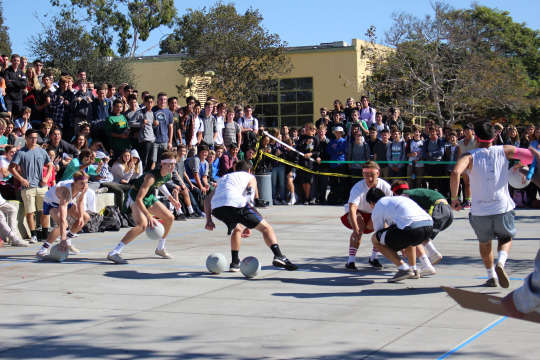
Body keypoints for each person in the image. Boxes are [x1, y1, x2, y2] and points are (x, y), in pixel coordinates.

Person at [450, 121, 534, 288]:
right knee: (506, 237)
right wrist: (521, 164)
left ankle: (491, 276)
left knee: (485, 243)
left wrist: (454, 199)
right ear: (495, 136)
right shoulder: (505, 150)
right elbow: (532, 156)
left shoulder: (469, 156)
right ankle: (501, 262)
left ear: (476, 137)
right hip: (502, 206)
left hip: (480, 209)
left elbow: (455, 172)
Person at [204, 160, 298, 272]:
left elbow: (207, 199)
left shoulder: (225, 178)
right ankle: (279, 255)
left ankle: (235, 263)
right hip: (236, 204)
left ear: (236, 169)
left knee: (238, 228)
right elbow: (250, 196)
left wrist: (209, 220)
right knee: (266, 228)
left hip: (217, 209)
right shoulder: (250, 177)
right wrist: (249, 224)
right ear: (249, 170)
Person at [107, 150, 181, 264]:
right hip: (135, 196)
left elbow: (160, 184)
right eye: (170, 164)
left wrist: (173, 200)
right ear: (163, 164)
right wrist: (148, 216)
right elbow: (138, 199)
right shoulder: (150, 176)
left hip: (149, 196)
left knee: (170, 218)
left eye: (174, 164)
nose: (173, 166)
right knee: (142, 225)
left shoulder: (168, 174)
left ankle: (160, 248)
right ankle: (114, 252)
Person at [367, 187, 434, 282]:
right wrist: (401, 244)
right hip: (428, 226)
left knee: (375, 239)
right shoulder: (398, 199)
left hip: (411, 229)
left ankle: (403, 268)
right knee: (409, 237)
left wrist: (397, 246)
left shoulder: (378, 206)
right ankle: (414, 269)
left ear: (372, 202)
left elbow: (379, 234)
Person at [391, 180, 453, 274]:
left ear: (395, 193)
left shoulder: (404, 196)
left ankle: (433, 254)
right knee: (421, 232)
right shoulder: (415, 194)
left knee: (417, 232)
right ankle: (431, 256)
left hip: (438, 208)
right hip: (447, 211)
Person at [341, 161, 392, 271]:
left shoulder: (386, 187)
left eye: (372, 175)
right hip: (359, 211)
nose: (369, 178)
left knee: (383, 229)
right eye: (366, 175)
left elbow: (390, 207)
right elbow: (352, 209)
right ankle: (350, 261)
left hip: (376, 212)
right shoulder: (357, 187)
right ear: (363, 174)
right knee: (359, 228)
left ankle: (373, 258)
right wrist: (355, 229)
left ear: (378, 174)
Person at [9, 129, 53, 243]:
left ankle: (44, 233)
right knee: (30, 211)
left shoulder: (42, 152)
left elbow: (50, 165)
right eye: (32, 138)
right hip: (27, 187)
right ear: (26, 138)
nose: (34, 140)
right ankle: (33, 234)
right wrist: (21, 179)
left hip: (41, 185)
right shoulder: (21, 152)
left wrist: (46, 178)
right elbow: (11, 168)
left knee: (45, 211)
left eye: (36, 138)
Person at [35, 172, 90, 259]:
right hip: (52, 202)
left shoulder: (84, 187)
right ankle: (42, 251)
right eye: (82, 183)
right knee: (63, 225)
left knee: (85, 217)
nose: (84, 185)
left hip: (66, 201)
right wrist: (62, 239)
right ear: (75, 183)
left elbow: (80, 201)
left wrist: (80, 216)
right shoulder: (66, 192)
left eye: (86, 182)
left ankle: (68, 241)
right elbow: (62, 218)